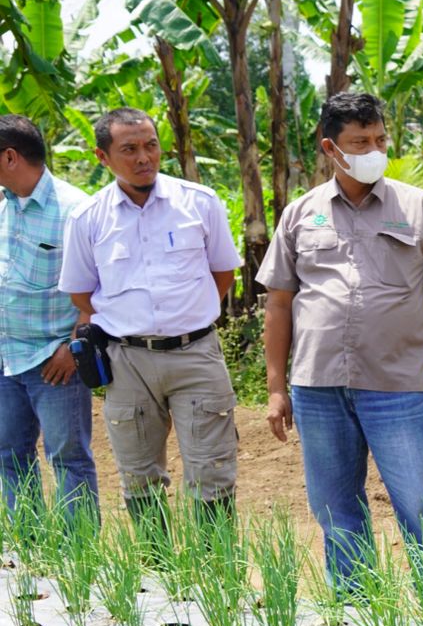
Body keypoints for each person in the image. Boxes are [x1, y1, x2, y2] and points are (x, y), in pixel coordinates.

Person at [257, 92, 423, 589]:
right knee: (336, 509)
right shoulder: (300, 214)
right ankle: (358, 621)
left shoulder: (419, 207)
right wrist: (275, 387)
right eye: (360, 142)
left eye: (379, 139)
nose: (374, 149)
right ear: (331, 148)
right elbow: (280, 303)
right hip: (318, 386)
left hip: (396, 385)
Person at [58, 108, 242, 523]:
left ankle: (217, 576)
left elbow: (223, 272)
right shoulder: (88, 219)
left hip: (196, 354)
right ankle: (158, 578)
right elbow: (82, 294)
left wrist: (186, 318)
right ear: (102, 157)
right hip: (127, 362)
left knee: (212, 469)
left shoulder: (198, 202)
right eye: (129, 149)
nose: (144, 157)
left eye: (151, 145)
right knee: (139, 475)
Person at [0, 114, 97, 519]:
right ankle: (28, 556)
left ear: (9, 157)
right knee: (8, 456)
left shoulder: (76, 211)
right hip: (6, 358)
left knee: (69, 459)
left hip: (54, 362)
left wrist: (72, 349)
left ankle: (77, 562)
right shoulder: (2, 206)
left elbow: (99, 292)